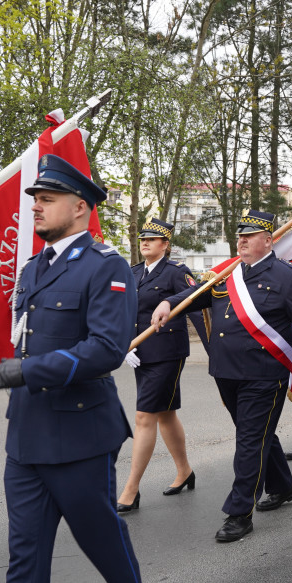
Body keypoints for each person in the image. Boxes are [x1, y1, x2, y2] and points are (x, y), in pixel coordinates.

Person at [0, 155, 152, 583]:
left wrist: (26, 372)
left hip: (80, 432)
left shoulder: (105, 266)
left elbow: (106, 349)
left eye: (46, 199)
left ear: (80, 207)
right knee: (25, 550)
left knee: (98, 535)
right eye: (35, 199)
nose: (36, 207)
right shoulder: (34, 267)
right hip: (28, 433)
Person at [153, 209, 292, 543]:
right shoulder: (229, 274)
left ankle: (239, 512)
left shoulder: (286, 277)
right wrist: (170, 302)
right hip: (225, 372)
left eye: (249, 236)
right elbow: (200, 296)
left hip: (263, 375)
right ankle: (282, 485)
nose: (241, 240)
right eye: (239, 235)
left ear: (268, 240)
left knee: (249, 441)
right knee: (254, 433)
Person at [117, 219, 198, 513]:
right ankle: (185, 471)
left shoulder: (176, 272)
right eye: (143, 239)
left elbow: (195, 294)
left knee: (144, 416)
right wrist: (126, 345)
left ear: (165, 244)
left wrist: (168, 301)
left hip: (167, 353)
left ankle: (131, 489)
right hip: (140, 354)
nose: (146, 243)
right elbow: (123, 310)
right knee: (165, 414)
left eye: (152, 240)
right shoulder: (132, 272)